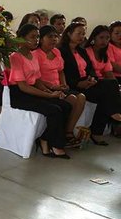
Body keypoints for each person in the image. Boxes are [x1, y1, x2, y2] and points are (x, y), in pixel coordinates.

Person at [8, 24, 72, 158]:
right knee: (54, 110)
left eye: (37, 37)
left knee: (66, 105)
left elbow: (37, 80)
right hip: (20, 95)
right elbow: (23, 86)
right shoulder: (16, 57)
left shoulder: (32, 55)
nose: (36, 40)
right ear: (21, 38)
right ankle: (56, 145)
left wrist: (49, 92)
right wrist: (48, 95)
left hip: (33, 90)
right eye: (32, 37)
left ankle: (45, 138)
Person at [59, 22, 121, 145]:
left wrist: (91, 79)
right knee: (108, 91)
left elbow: (90, 70)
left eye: (83, 34)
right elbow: (63, 73)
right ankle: (110, 116)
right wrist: (78, 84)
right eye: (79, 33)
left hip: (86, 83)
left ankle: (101, 128)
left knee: (110, 86)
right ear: (69, 33)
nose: (82, 36)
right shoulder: (62, 51)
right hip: (73, 85)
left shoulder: (81, 51)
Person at [33, 25, 86, 147]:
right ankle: (63, 133)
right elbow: (36, 78)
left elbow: (60, 70)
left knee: (81, 97)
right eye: (50, 36)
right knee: (72, 99)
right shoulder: (36, 54)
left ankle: (68, 131)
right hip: (45, 87)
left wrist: (63, 84)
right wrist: (53, 87)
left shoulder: (56, 52)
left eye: (56, 36)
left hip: (58, 86)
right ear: (41, 39)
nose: (54, 39)